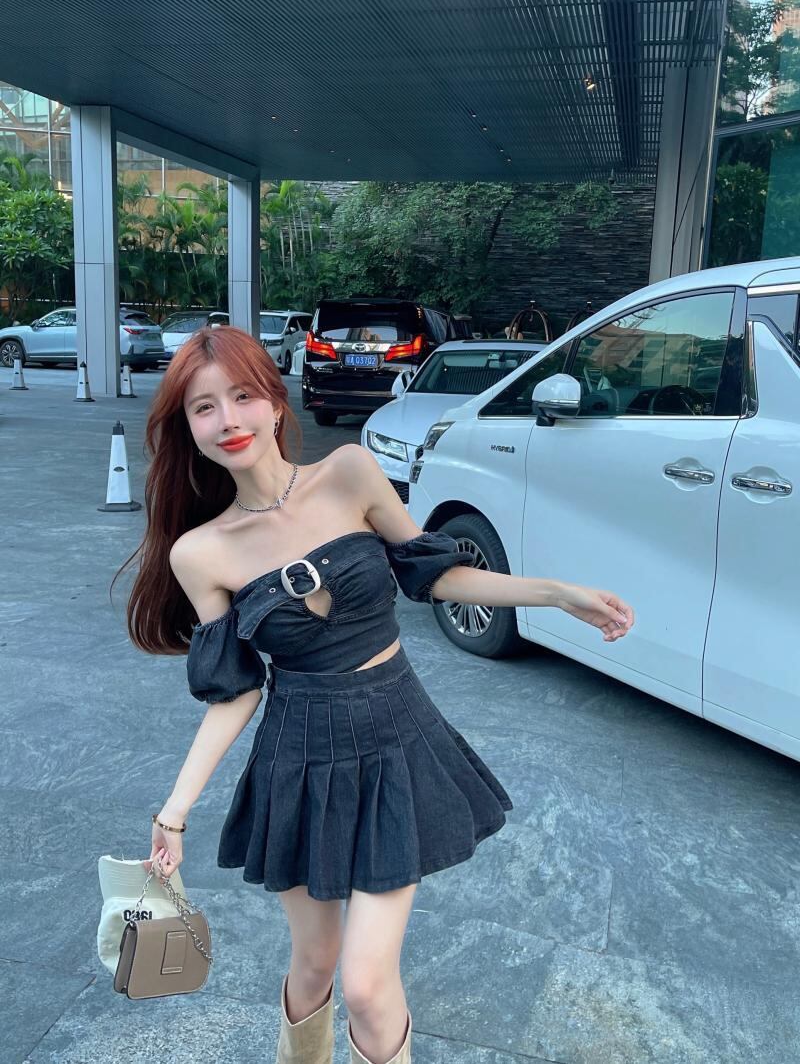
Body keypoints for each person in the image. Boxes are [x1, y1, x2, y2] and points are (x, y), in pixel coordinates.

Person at [114, 325, 634, 1064]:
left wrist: (554, 593)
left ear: (275, 401)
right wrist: (175, 811)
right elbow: (234, 691)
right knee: (314, 963)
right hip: (298, 760)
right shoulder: (200, 552)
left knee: (365, 982)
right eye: (204, 407)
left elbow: (435, 576)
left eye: (242, 396)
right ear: (187, 429)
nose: (228, 420)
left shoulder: (351, 473)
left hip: (395, 738)